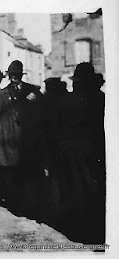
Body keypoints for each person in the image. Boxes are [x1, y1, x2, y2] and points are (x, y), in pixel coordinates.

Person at [52, 62, 105, 244]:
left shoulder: (65, 100)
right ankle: (90, 227)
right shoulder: (101, 99)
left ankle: (74, 226)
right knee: (92, 189)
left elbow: (55, 129)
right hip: (93, 151)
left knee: (71, 188)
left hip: (69, 151)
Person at [0, 60, 46, 213]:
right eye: (11, 75)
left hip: (27, 137)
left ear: (21, 75)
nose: (14, 78)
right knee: (10, 170)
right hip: (9, 139)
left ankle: (28, 202)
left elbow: (43, 108)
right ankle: (12, 201)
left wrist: (36, 101)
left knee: (27, 169)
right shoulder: (3, 93)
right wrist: (3, 131)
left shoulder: (31, 90)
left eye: (16, 75)